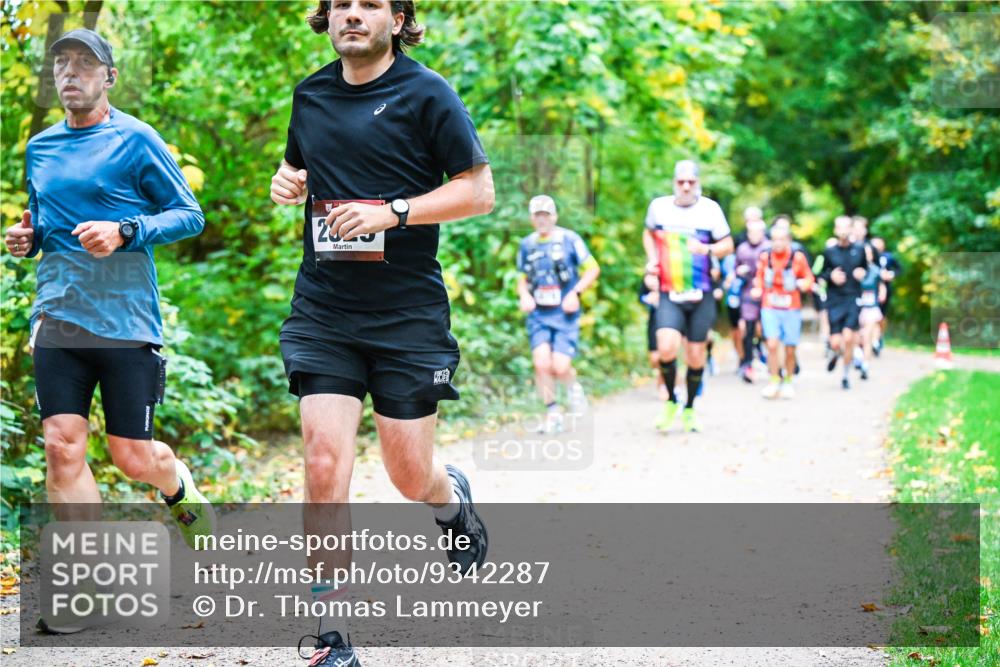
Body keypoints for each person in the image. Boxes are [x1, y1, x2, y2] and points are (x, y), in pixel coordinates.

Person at [269, 2, 493, 664]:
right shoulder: (309, 94)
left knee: (407, 473)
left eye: (369, 4)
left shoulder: (428, 93)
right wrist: (289, 181)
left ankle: (449, 498)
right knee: (323, 461)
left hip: (407, 316)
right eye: (341, 5)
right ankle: (331, 637)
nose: (352, 15)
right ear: (327, 19)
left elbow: (478, 192)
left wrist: (392, 212)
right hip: (324, 310)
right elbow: (302, 171)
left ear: (398, 19)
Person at [3, 28, 214, 632]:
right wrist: (28, 238)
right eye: (62, 63)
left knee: (132, 457)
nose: (70, 73)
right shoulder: (39, 148)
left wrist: (126, 230)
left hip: (126, 322)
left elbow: (189, 215)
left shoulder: (136, 139)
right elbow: (44, 222)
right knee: (62, 446)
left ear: (109, 77)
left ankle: (176, 487)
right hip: (58, 316)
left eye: (85, 64)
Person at [643, 160, 734, 433]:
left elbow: (728, 245)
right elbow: (648, 234)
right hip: (670, 290)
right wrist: (652, 260)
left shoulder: (710, 210)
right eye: (681, 181)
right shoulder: (659, 207)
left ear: (698, 184)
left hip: (701, 292)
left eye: (690, 182)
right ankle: (671, 400)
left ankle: (690, 408)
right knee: (666, 347)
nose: (685, 186)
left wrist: (706, 250)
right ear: (674, 183)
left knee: (696, 356)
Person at [517, 195, 600, 433]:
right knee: (541, 363)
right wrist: (525, 295)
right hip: (539, 314)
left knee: (560, 366)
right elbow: (522, 278)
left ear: (554, 216)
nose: (542, 219)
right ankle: (552, 413)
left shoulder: (569, 240)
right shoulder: (527, 244)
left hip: (564, 313)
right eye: (537, 215)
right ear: (532, 218)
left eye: (547, 214)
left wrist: (575, 292)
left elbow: (592, 269)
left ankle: (574, 390)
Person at [752, 225, 814, 399]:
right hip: (770, 306)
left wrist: (804, 284)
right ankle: (773, 380)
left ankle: (787, 380)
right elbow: (759, 277)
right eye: (774, 239)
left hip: (791, 307)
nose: (777, 243)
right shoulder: (765, 257)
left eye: (781, 239)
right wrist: (757, 288)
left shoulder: (797, 257)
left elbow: (809, 278)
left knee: (789, 347)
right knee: (771, 344)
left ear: (788, 240)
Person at [818, 216, 869, 389]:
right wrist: (830, 277)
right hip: (835, 299)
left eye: (847, 227)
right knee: (835, 342)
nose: (844, 231)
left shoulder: (860, 250)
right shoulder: (829, 252)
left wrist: (862, 273)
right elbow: (820, 274)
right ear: (835, 230)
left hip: (853, 297)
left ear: (851, 229)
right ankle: (835, 353)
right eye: (840, 228)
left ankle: (845, 375)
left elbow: (866, 270)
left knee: (849, 338)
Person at [733, 210, 770, 383]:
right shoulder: (741, 248)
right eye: (751, 232)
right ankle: (747, 364)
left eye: (757, 232)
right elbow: (735, 269)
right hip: (748, 293)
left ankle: (775, 362)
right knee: (747, 330)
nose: (754, 235)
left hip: (769, 294)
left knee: (768, 329)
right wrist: (739, 272)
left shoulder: (769, 247)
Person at [870, 236, 899, 353]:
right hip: (870, 290)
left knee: (881, 315)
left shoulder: (888, 257)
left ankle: (878, 336)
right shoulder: (866, 256)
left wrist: (891, 274)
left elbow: (898, 269)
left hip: (885, 290)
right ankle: (871, 339)